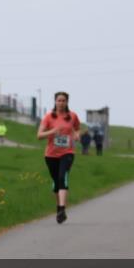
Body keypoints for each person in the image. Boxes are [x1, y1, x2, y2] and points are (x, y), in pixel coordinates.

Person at [37, 92, 80, 224]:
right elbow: (39, 135)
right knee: (56, 182)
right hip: (51, 155)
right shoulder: (48, 117)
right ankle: (58, 207)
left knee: (62, 177)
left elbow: (77, 128)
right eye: (59, 100)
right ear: (55, 102)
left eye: (63, 100)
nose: (61, 103)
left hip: (67, 153)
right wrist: (52, 131)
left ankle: (62, 208)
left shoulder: (72, 116)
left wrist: (77, 135)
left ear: (67, 102)